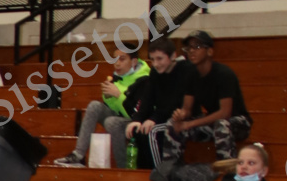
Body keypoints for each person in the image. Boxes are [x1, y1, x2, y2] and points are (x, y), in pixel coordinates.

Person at [152, 31, 250, 171]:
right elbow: (187, 109)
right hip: (213, 123)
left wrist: (190, 123)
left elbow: (225, 113)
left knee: (221, 125)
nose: (192, 51)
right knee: (172, 125)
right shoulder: (191, 75)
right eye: (189, 48)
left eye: (197, 47)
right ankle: (171, 170)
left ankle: (227, 172)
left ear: (209, 51)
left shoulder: (224, 74)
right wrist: (180, 115)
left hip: (238, 122)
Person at [53, 37, 149, 167]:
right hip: (122, 117)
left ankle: (123, 167)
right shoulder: (117, 77)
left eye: (122, 59)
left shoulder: (144, 80)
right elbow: (116, 109)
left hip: (138, 122)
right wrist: (108, 97)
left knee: (112, 122)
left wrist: (118, 95)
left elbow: (137, 113)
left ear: (134, 62)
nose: (117, 63)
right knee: (94, 106)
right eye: (115, 59)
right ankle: (78, 155)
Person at [120, 38, 193, 170]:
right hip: (163, 116)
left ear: (173, 56)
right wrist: (137, 119)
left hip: (183, 117)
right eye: (153, 60)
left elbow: (176, 102)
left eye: (160, 59)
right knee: (138, 130)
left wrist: (154, 119)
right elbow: (147, 98)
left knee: (152, 131)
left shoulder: (186, 71)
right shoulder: (155, 72)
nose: (156, 64)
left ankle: (160, 173)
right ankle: (143, 174)